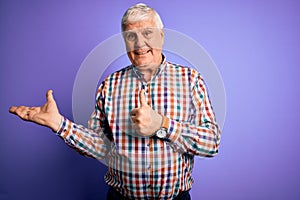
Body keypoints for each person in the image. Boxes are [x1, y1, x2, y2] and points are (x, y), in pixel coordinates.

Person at [9, 3, 221, 200]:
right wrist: (59, 124)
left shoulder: (190, 80)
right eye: (131, 36)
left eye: (147, 33)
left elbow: (211, 143)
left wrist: (163, 125)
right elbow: (101, 147)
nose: (139, 44)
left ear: (161, 36)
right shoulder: (110, 85)